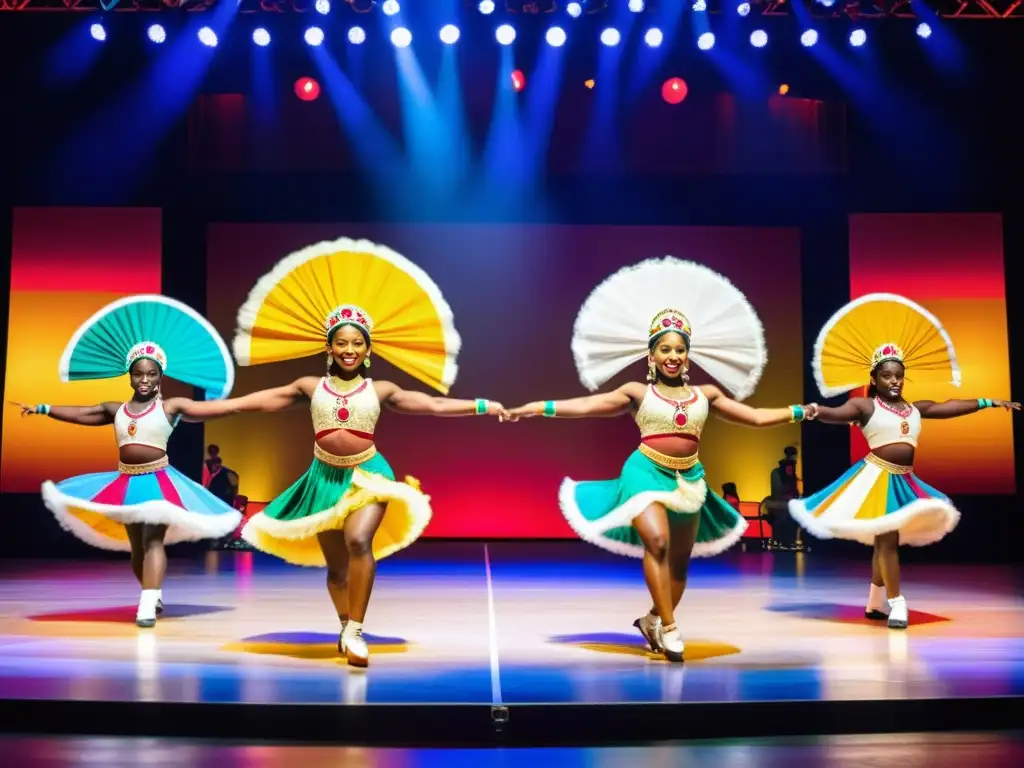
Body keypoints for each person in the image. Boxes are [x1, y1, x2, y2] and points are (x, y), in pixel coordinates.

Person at [184, 237, 509, 668]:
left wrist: (484, 405)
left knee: (359, 541)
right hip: (323, 479)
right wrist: (193, 410)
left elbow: (432, 404)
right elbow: (248, 402)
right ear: (329, 348)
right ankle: (345, 624)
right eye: (342, 343)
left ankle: (356, 629)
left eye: (357, 343)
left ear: (368, 350)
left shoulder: (381, 389)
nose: (350, 349)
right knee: (335, 570)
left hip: (367, 475)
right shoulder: (308, 387)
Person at [507, 257, 814, 662]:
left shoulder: (706, 394)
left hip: (690, 479)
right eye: (665, 349)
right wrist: (536, 408)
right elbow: (585, 406)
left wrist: (801, 412)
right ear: (651, 356)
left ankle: (654, 618)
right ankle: (670, 628)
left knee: (680, 566)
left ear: (688, 356)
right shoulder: (636, 392)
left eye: (680, 349)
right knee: (657, 540)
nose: (673, 355)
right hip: (644, 470)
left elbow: (756, 418)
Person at [8, 295, 241, 628]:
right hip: (126, 481)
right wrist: (44, 408)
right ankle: (153, 592)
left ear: (160, 376)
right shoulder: (116, 409)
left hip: (160, 480)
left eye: (151, 374)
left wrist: (243, 405)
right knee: (136, 548)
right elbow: (81, 413)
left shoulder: (170, 406)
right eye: (138, 374)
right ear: (129, 376)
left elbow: (213, 410)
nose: (145, 380)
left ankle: (146, 605)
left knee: (153, 540)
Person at [791, 293, 1020, 629]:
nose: (895, 380)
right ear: (874, 380)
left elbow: (950, 405)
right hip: (875, 477)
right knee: (887, 539)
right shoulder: (865, 407)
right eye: (887, 375)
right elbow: (836, 414)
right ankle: (897, 602)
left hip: (903, 479)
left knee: (885, 539)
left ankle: (874, 601)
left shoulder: (914, 409)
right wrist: (812, 410)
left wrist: (989, 401)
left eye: (899, 374)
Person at [767, 446, 800, 549]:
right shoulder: (776, 473)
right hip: (779, 506)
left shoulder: (792, 475)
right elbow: (777, 494)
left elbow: (795, 493)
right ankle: (782, 541)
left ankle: (790, 542)